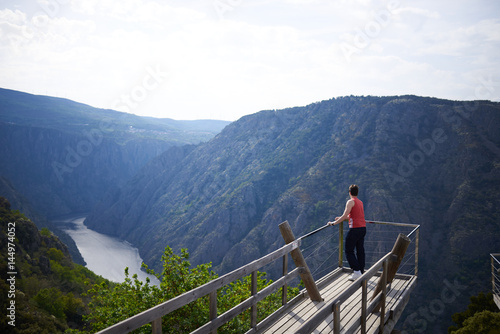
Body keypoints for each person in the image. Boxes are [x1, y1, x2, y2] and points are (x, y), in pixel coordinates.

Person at [327, 184, 366, 281]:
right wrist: (341, 218)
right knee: (360, 250)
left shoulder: (350, 202)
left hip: (355, 229)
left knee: (349, 251)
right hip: (362, 228)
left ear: (349, 193)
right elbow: (354, 216)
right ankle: (361, 271)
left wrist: (333, 223)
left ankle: (356, 271)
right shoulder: (360, 202)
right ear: (357, 192)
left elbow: (345, 215)